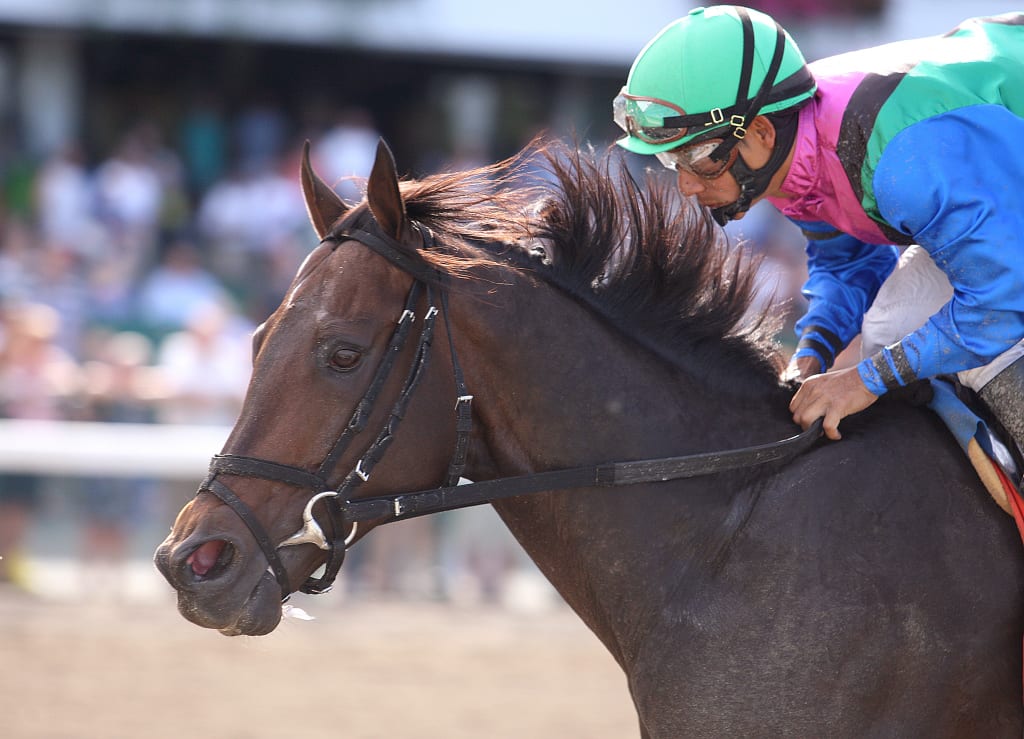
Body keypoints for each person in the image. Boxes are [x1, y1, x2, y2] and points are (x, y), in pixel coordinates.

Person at [613, 6, 1024, 474]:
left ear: (760, 134)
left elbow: (1002, 303)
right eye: (672, 163)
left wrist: (863, 381)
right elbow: (852, 265)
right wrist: (813, 354)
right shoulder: (795, 145)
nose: (686, 185)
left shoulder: (901, 163)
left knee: (956, 344)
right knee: (893, 329)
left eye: (698, 159)